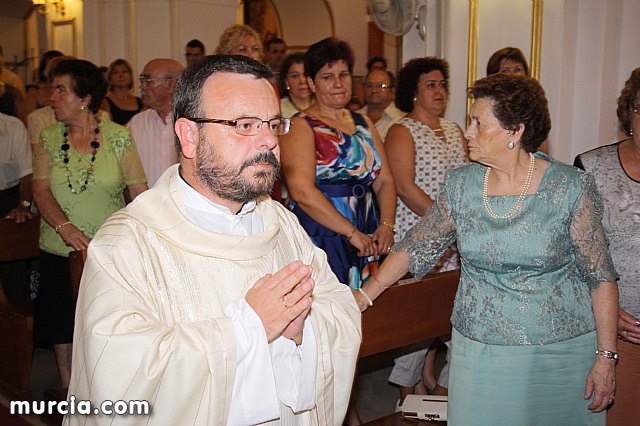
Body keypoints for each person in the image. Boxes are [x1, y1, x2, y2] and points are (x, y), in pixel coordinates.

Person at [64, 54, 361, 425]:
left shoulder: (281, 223)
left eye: (272, 124)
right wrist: (248, 328)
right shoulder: (127, 243)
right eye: (244, 124)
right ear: (189, 136)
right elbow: (119, 380)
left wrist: (304, 333)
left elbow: (338, 309)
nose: (269, 140)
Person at [355, 73, 619, 425]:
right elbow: (416, 246)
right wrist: (365, 295)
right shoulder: (461, 186)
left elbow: (600, 276)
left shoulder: (570, 187)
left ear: (515, 131)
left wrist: (605, 358)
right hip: (481, 349)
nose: (467, 131)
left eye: (478, 123)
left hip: (560, 351)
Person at [32, 59, 147, 388]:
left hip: (108, 251)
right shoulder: (49, 137)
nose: (51, 96)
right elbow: (40, 192)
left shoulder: (119, 137)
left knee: (107, 322)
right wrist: (65, 228)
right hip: (58, 248)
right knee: (61, 324)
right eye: (52, 89)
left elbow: (139, 192)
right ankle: (70, 392)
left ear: (84, 97)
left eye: (60, 89)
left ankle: (106, 387)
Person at [281, 37, 396, 291]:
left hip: (366, 226)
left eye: (343, 75)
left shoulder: (364, 122)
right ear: (311, 82)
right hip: (322, 230)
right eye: (327, 76)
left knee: (366, 309)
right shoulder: (300, 125)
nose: (338, 84)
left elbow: (385, 180)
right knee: (327, 308)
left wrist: (386, 225)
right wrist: (351, 232)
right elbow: (301, 191)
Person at [382, 56, 467, 403]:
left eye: (442, 84)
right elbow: (403, 186)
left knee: (454, 321)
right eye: (430, 84)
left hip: (455, 240)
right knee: (417, 322)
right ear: (413, 93)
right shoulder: (402, 130)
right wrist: (443, 225)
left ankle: (442, 392)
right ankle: (407, 397)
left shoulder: (454, 129)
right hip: (419, 236)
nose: (439, 91)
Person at [574, 67, 640, 426]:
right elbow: (569, 258)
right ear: (629, 112)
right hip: (614, 335)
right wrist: (607, 316)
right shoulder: (591, 168)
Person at [127, 58, 183, 186]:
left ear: (170, 85)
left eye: (147, 81)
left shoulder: (192, 123)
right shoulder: (136, 123)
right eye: (142, 81)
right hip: (145, 204)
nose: (142, 86)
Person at [0, 112, 33, 305]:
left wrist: (23, 205)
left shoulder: (12, 126)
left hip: (9, 201)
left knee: (14, 281)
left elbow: (27, 174)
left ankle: (18, 328)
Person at [357, 69, 405, 139]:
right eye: (369, 85)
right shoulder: (354, 117)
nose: (374, 90)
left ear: (392, 92)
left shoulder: (401, 120)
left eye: (381, 86)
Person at [100, 58, 144, 125]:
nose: (121, 76)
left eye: (125, 72)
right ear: (110, 78)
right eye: (116, 73)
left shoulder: (140, 102)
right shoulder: (105, 102)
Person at [277, 52, 313, 118]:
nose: (302, 81)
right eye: (295, 76)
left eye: (306, 74)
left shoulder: (324, 105)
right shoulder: (278, 109)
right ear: (286, 81)